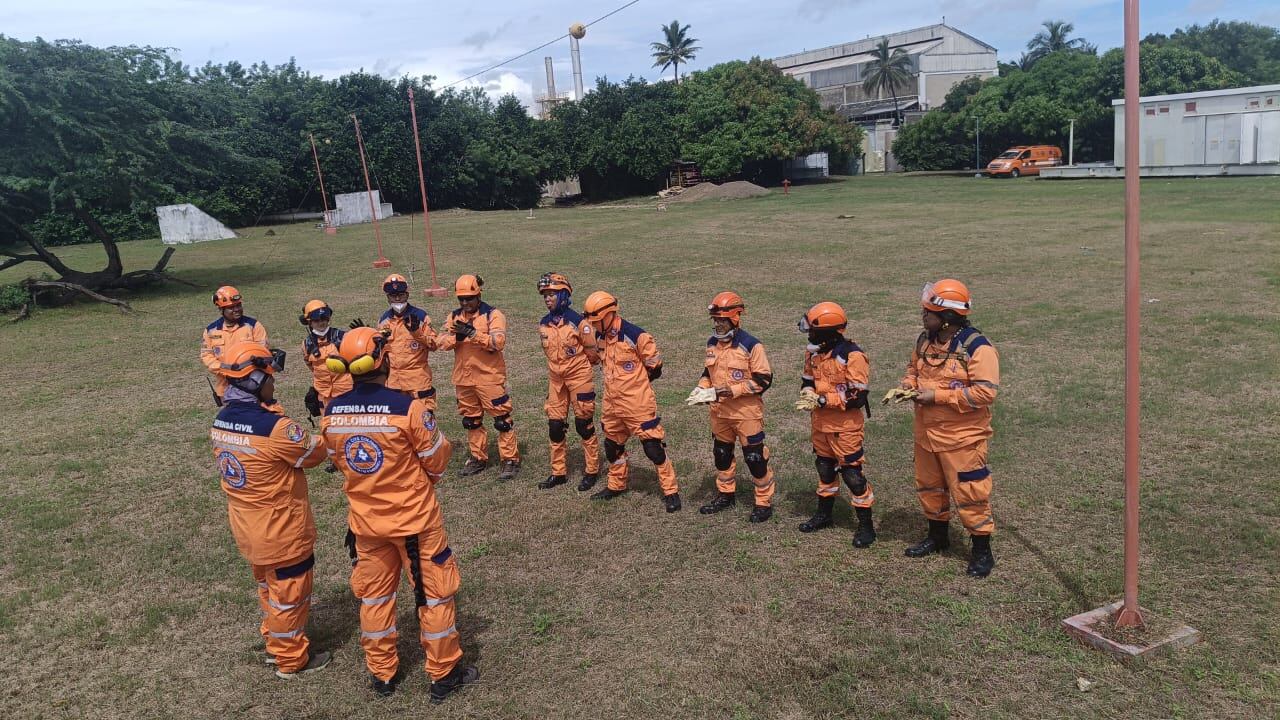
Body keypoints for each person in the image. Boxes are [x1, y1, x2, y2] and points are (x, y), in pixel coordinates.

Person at [320, 327, 479, 701]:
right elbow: (437, 461)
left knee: (374, 599)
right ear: (383, 359)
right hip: (414, 524)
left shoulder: (332, 412)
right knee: (434, 597)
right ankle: (443, 674)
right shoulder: (409, 408)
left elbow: (337, 460)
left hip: (365, 526)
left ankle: (382, 675)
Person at [209, 340, 330, 679]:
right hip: (281, 530)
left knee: (269, 589)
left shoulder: (220, 421)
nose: (274, 383)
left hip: (249, 529)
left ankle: (274, 642)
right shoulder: (276, 430)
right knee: (290, 594)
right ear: (253, 381)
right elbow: (314, 454)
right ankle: (290, 659)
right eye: (270, 378)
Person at [896, 279, 1000, 578]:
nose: (922, 316)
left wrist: (937, 396)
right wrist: (907, 386)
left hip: (962, 440)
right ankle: (937, 536)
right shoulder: (925, 341)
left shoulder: (978, 349)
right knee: (930, 488)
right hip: (926, 436)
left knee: (970, 495)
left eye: (928, 312)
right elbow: (913, 369)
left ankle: (982, 551)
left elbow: (985, 393)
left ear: (947, 319)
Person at [582, 291, 681, 513]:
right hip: (612, 404)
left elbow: (655, 366)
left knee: (653, 448)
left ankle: (671, 491)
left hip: (638, 404)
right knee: (612, 447)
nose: (595, 326)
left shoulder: (636, 336)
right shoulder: (600, 338)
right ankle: (616, 485)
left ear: (609, 315)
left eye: (597, 321)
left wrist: (636, 387)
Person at [686, 291, 775, 522]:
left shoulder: (752, 346)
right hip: (720, 413)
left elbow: (763, 381)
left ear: (735, 318)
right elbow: (709, 371)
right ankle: (726, 495)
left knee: (755, 458)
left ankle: (763, 502)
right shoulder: (712, 343)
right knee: (722, 454)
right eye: (715, 320)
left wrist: (728, 390)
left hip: (746, 414)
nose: (717, 325)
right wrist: (701, 387)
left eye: (722, 320)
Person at [793, 302, 877, 548]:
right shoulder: (814, 353)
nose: (809, 335)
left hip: (845, 428)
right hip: (820, 424)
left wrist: (821, 399)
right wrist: (808, 394)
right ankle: (824, 515)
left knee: (852, 476)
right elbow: (806, 380)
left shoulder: (852, 356)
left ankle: (866, 526)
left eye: (813, 330)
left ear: (827, 331)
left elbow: (857, 397)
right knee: (825, 468)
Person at [434, 274, 521, 481]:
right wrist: (457, 337)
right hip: (464, 380)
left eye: (469, 299)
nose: (465, 303)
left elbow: (498, 342)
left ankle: (510, 459)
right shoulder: (454, 317)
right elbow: (441, 342)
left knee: (501, 421)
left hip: (489, 378)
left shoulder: (493, 315)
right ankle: (478, 457)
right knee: (471, 421)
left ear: (478, 295)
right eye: (461, 299)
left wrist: (474, 334)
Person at [534, 272, 602, 491]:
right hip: (556, 381)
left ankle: (592, 470)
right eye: (545, 295)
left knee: (584, 425)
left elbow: (593, 353)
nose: (547, 299)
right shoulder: (544, 324)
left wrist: (577, 370)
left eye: (551, 294)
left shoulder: (579, 324)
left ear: (563, 295)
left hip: (579, 378)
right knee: (555, 426)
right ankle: (558, 472)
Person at [373, 273, 438, 409]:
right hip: (393, 381)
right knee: (397, 423)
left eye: (401, 295)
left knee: (423, 421)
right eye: (393, 296)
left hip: (418, 380)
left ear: (407, 295)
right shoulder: (383, 320)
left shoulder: (420, 317)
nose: (397, 299)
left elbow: (434, 344)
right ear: (388, 298)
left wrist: (417, 332)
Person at [202, 286, 268, 402]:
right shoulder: (211, 331)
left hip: (252, 386)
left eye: (239, 305)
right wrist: (225, 368)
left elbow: (263, 352)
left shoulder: (253, 326)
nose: (237, 309)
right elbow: (207, 356)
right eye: (231, 307)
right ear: (221, 309)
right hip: (225, 388)